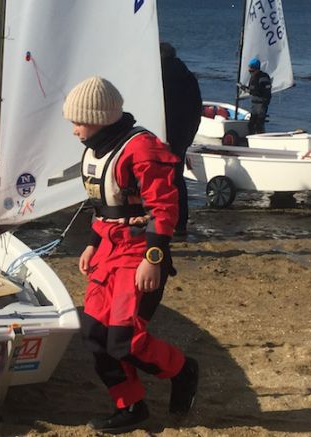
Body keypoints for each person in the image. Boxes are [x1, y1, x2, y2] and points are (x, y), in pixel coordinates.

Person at [62, 76, 198, 434]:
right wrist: (92, 242)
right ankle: (131, 406)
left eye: (78, 122)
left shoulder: (142, 149)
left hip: (137, 255)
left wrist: (153, 258)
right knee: (95, 336)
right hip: (108, 253)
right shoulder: (97, 149)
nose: (74, 130)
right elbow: (104, 205)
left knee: (126, 341)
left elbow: (164, 209)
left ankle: (182, 370)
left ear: (98, 119)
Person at [160, 42, 202, 237]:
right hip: (182, 135)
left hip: (163, 134)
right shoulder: (188, 76)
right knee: (177, 178)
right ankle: (180, 223)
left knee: (158, 179)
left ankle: (161, 221)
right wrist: (190, 135)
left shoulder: (158, 75)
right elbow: (197, 108)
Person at [241, 57, 271, 134]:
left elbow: (261, 91)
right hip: (254, 104)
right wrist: (245, 88)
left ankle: (260, 138)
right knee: (251, 124)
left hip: (261, 104)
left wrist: (248, 90)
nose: (250, 72)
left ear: (257, 69)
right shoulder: (253, 77)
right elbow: (252, 89)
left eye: (252, 71)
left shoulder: (264, 78)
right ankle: (250, 138)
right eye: (249, 71)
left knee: (259, 124)